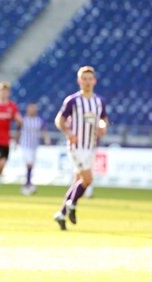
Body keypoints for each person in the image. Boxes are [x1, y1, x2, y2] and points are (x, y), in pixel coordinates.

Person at [53, 66, 107, 231]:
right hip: (76, 146)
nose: (87, 82)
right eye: (84, 79)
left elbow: (103, 118)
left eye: (90, 79)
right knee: (88, 179)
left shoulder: (99, 101)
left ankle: (61, 214)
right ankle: (72, 204)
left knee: (79, 181)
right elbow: (59, 120)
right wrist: (69, 132)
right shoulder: (73, 100)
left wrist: (102, 127)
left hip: (90, 146)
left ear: (94, 81)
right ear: (79, 81)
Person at [16, 103, 50, 195]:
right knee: (29, 164)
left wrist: (47, 139)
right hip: (25, 145)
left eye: (33, 108)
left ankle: (28, 183)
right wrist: (16, 142)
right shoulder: (23, 120)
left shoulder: (39, 120)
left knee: (31, 165)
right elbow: (18, 131)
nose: (32, 110)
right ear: (27, 109)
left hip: (34, 146)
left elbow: (44, 131)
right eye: (30, 108)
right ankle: (28, 184)